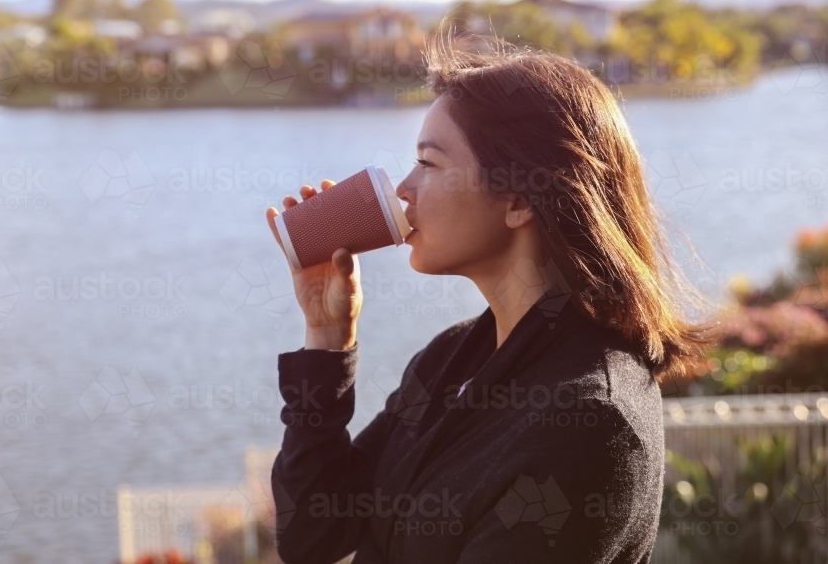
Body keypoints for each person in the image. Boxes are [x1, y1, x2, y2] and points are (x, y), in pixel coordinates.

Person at [263, 31, 716, 564]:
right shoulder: (452, 359)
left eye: (429, 164)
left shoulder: (589, 421)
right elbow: (314, 537)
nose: (403, 189)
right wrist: (325, 341)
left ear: (519, 199)